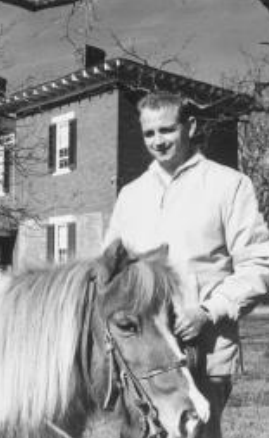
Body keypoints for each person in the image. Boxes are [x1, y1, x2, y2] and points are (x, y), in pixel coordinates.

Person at [103, 91, 269, 438]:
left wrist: (208, 312)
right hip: (144, 361)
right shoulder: (130, 195)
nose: (158, 141)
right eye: (149, 133)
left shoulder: (229, 185)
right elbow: (112, 274)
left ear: (190, 126)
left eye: (167, 130)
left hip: (205, 351)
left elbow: (258, 263)